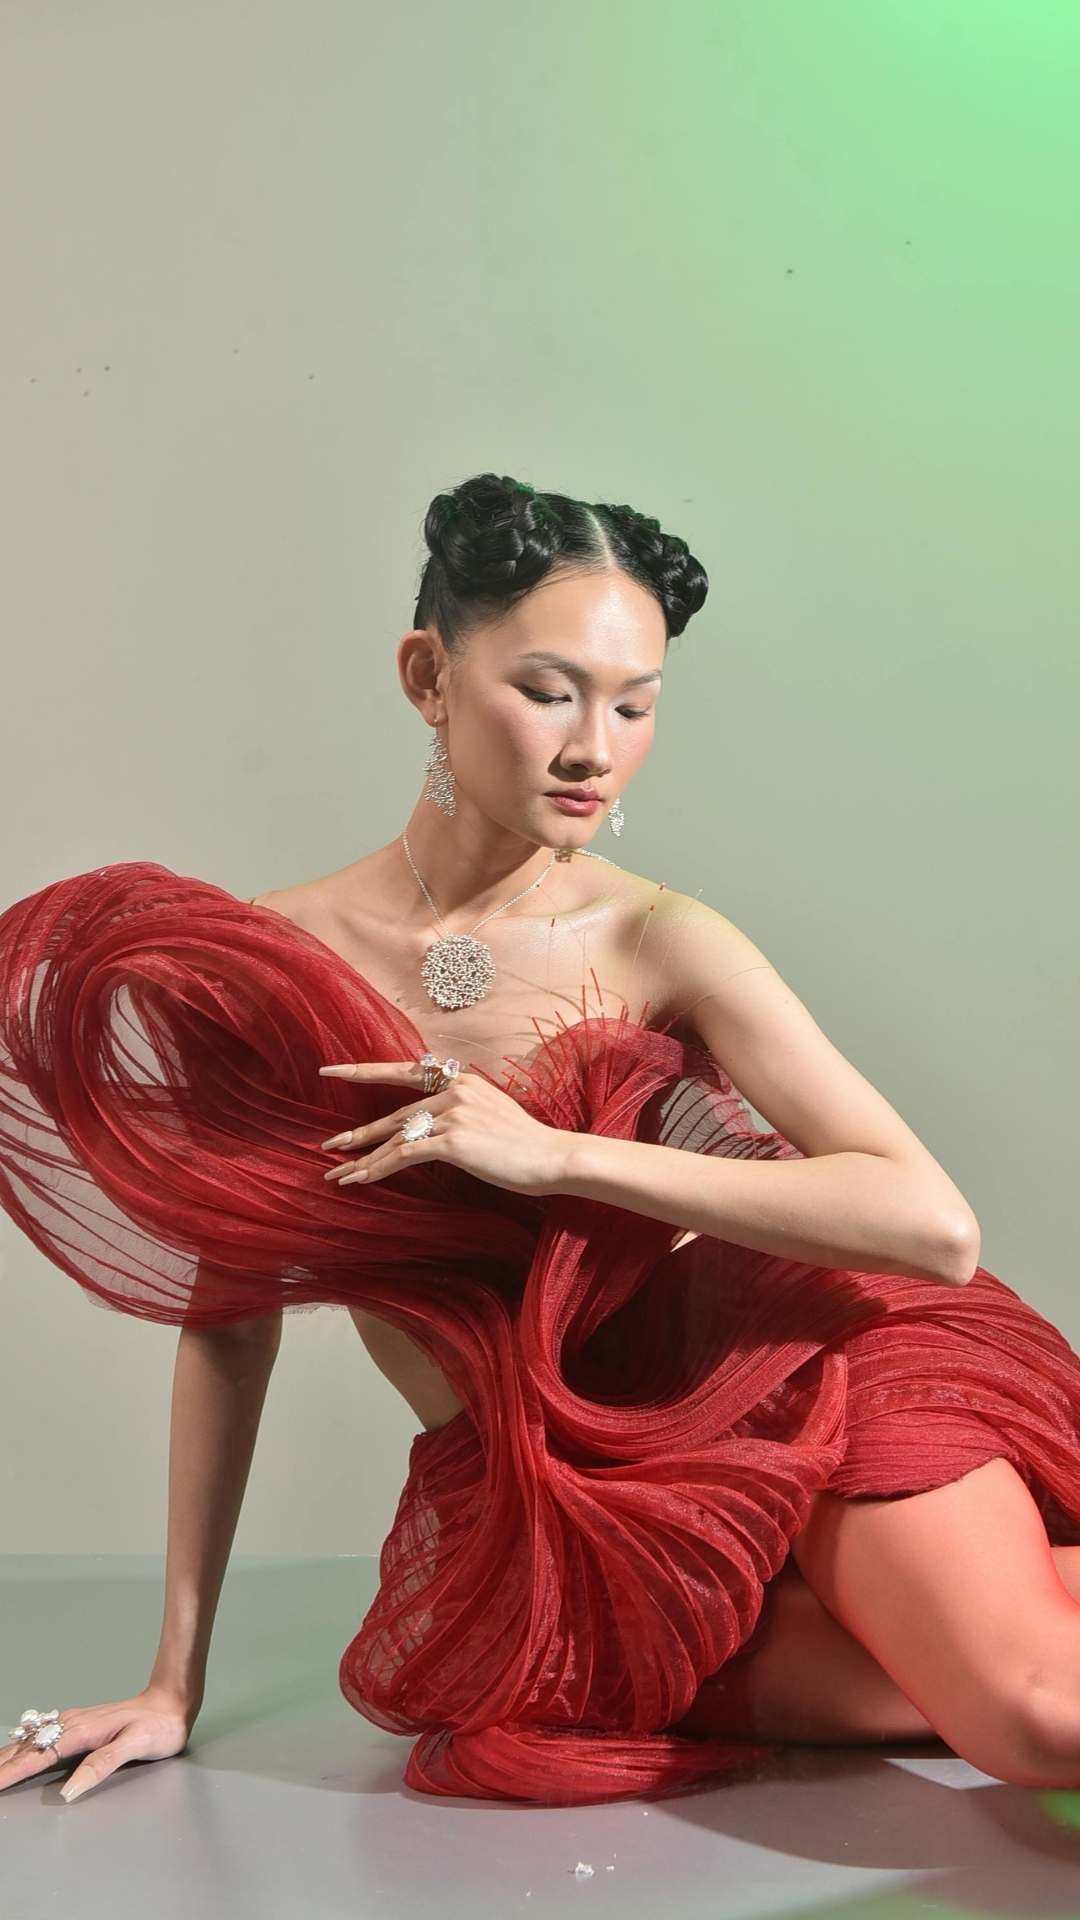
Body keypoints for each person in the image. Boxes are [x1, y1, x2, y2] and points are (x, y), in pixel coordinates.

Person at [4, 471, 1080, 1810]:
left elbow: (933, 1224)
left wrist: (559, 1156)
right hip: (567, 1505)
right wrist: (173, 1684)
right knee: (795, 1690)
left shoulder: (657, 938)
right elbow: (230, 1324)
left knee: (1040, 1719)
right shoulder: (278, 963)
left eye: (637, 707)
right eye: (549, 690)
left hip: (804, 1381)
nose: (594, 749)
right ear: (426, 673)